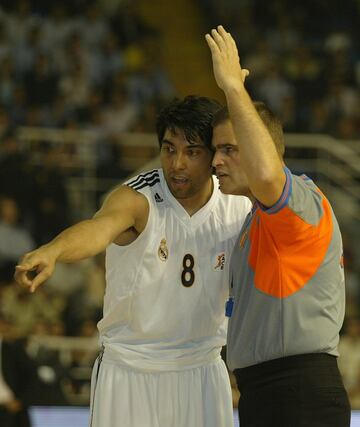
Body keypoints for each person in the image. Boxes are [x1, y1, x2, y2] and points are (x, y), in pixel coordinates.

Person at [14, 95, 251, 427]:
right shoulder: (137, 198)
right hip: (130, 369)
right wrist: (53, 250)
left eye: (192, 152)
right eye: (169, 149)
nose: (177, 163)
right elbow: (98, 228)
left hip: (202, 369)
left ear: (214, 156)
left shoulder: (238, 205)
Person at [206, 26, 351, 426]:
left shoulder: (301, 203)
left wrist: (234, 88)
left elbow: (268, 177)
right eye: (216, 150)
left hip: (298, 393)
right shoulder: (257, 220)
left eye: (229, 149)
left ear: (261, 150)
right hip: (269, 394)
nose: (216, 161)